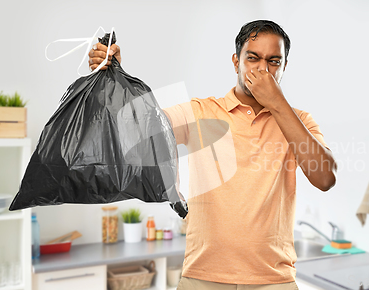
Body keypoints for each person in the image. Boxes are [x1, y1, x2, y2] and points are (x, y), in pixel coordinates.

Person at [89, 20, 337, 290]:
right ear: (236, 61)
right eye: (252, 58)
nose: (263, 69)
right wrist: (110, 78)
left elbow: (325, 178)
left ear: (284, 67)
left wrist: (277, 103)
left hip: (274, 282)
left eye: (274, 61)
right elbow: (134, 129)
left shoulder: (299, 121)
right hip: (202, 278)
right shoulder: (199, 112)